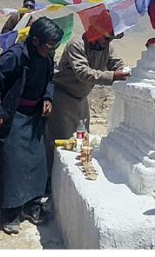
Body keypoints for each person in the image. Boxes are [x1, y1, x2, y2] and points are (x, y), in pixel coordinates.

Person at [0, 17, 63, 234]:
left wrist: (48, 98)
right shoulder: (15, 56)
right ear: (35, 41)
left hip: (34, 117)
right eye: (49, 44)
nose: (52, 49)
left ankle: (32, 205)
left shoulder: (47, 56)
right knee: (13, 164)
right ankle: (10, 213)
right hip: (13, 114)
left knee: (36, 162)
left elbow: (49, 81)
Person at [45, 32, 130, 183]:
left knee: (82, 141)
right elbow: (83, 73)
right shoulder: (76, 45)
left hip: (81, 98)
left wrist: (124, 71)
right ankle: (52, 182)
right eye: (106, 38)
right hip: (63, 97)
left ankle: (75, 179)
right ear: (96, 32)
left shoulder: (106, 47)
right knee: (62, 143)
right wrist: (113, 76)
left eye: (111, 39)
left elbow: (115, 63)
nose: (108, 42)